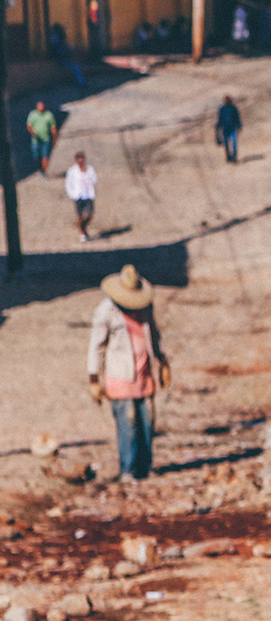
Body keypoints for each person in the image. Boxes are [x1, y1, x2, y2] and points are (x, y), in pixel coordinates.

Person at [87, 266, 171, 482]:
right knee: (127, 424)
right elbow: (96, 346)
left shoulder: (145, 308)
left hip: (144, 374)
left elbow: (153, 332)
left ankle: (145, 466)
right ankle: (128, 469)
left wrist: (163, 361)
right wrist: (94, 377)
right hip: (120, 376)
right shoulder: (106, 311)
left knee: (146, 421)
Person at [65, 152, 98, 243]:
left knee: (89, 214)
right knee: (79, 215)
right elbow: (68, 183)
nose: (80, 161)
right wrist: (71, 194)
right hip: (78, 195)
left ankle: (83, 227)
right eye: (78, 159)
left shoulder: (90, 169)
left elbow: (95, 180)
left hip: (88, 195)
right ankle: (82, 234)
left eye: (82, 159)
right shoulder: (72, 171)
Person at [25, 102, 57, 176]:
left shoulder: (49, 115)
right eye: (40, 106)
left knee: (45, 156)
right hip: (36, 140)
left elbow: (53, 127)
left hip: (46, 139)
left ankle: (44, 170)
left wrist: (55, 138)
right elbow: (29, 125)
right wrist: (33, 132)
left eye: (42, 106)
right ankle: (39, 167)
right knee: (36, 156)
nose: (41, 107)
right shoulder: (32, 115)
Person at [215, 97, 242, 163]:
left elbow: (237, 117)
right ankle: (228, 156)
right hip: (225, 128)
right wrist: (218, 127)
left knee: (234, 143)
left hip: (232, 128)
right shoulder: (222, 109)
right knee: (226, 144)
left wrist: (239, 126)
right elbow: (220, 118)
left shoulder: (234, 108)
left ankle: (234, 157)